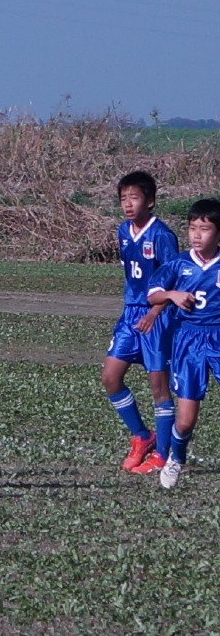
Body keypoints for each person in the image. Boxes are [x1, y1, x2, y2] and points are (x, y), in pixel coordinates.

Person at [101, 171, 178, 474]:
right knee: (110, 377)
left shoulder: (162, 236)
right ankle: (142, 436)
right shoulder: (123, 231)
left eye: (134, 197)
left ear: (150, 201)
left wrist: (155, 312)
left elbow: (173, 282)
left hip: (157, 317)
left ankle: (162, 455)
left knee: (159, 388)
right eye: (123, 199)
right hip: (130, 315)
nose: (128, 204)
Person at [147, 198, 220, 489]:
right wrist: (172, 295)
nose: (197, 235)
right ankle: (176, 458)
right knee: (186, 420)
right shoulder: (179, 263)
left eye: (205, 229)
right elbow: (152, 295)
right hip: (188, 340)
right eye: (192, 228)